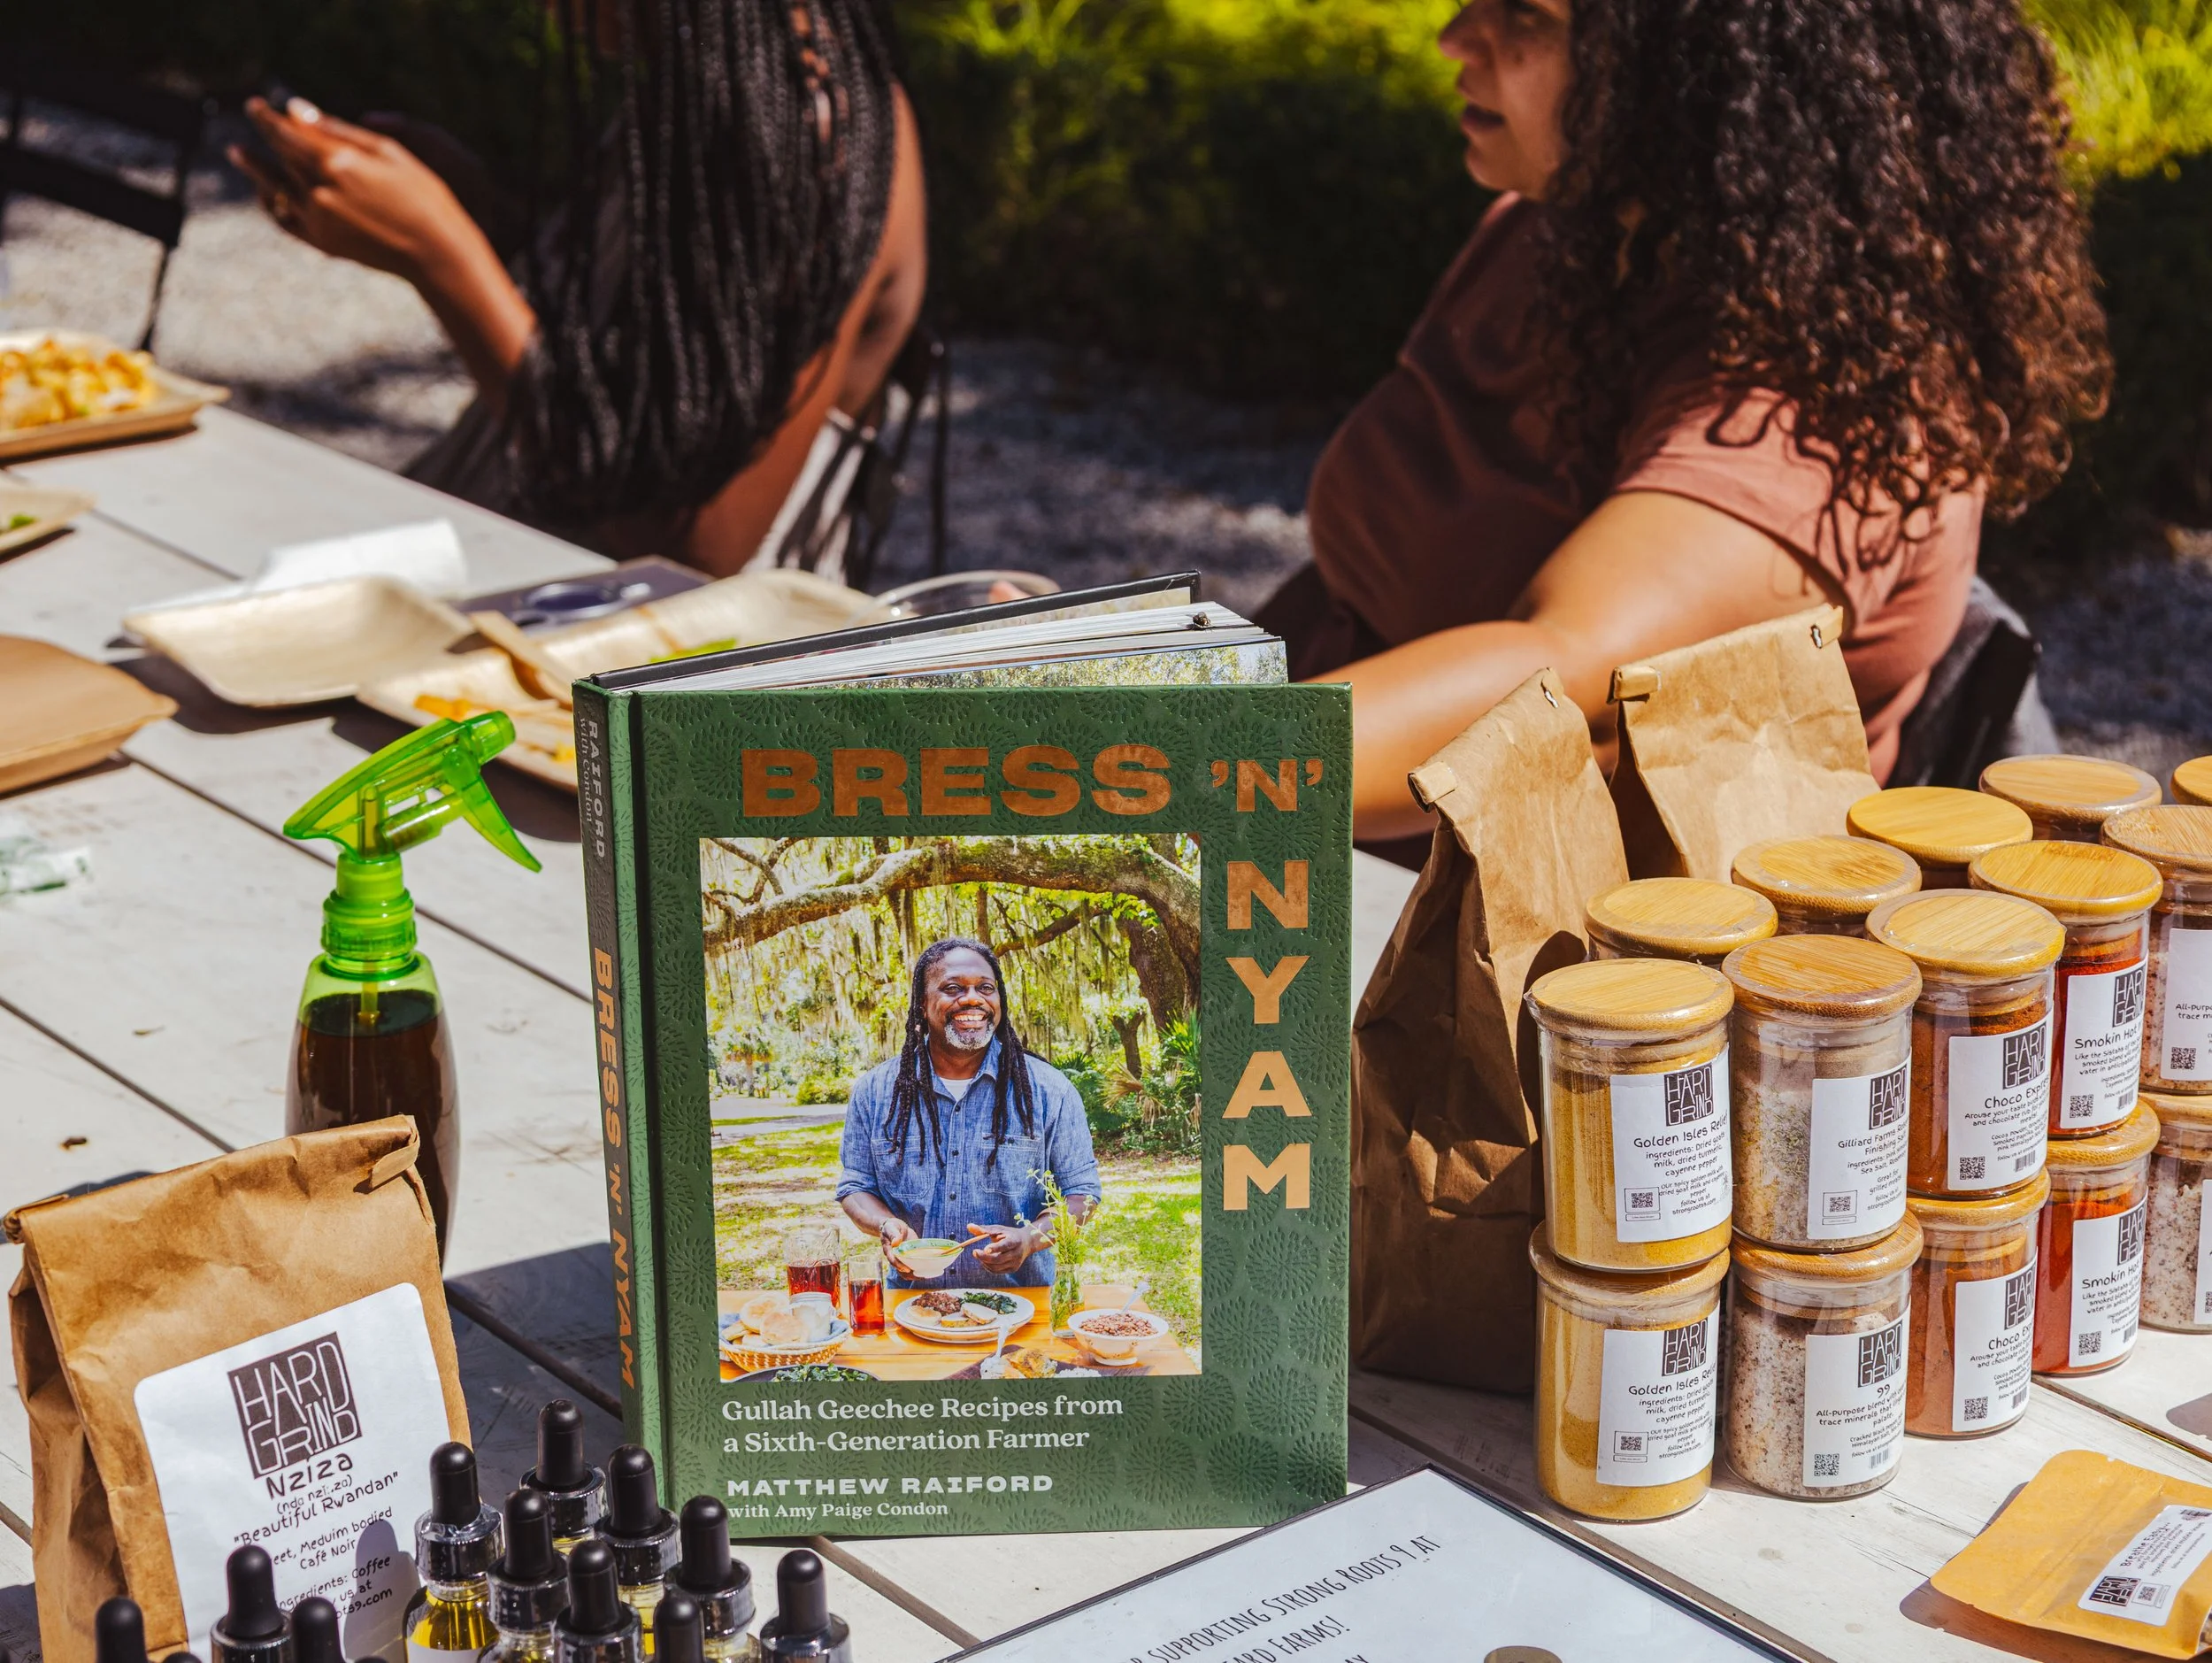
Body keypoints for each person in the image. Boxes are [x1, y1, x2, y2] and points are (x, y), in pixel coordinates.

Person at [1261, 0, 2112, 851]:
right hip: (1323, 836)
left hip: (1511, 947)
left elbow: (1565, 677)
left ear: (1691, 64)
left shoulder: (1821, 404)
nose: (1456, 35)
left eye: (1524, 15)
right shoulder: (1575, 229)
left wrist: (1164, 773)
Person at [228, 0, 926, 573]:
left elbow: (691, 548)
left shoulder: (805, 132)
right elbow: (654, 348)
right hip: (515, 574)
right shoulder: (711, 84)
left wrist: (441, 256)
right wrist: (486, 215)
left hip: (625, 675)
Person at [836, 937, 1101, 1289]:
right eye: (953, 988)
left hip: (1022, 1308)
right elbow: (856, 1186)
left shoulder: (1050, 1090)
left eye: (986, 988)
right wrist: (886, 1224)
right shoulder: (875, 1092)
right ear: (921, 1003)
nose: (973, 998)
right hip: (912, 1307)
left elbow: (1081, 1193)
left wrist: (1029, 1240)